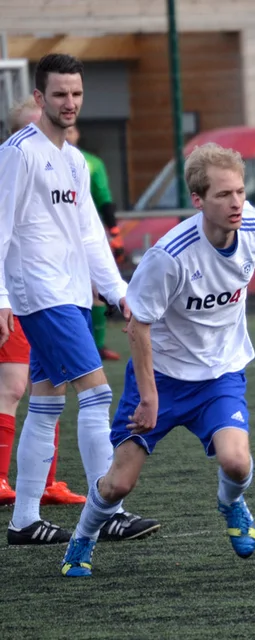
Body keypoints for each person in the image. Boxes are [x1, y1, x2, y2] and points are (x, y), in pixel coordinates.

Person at [60, 142, 255, 577]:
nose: (236, 203)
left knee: (237, 462)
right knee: (118, 484)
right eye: (223, 195)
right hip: (162, 377)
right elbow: (137, 327)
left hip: (220, 373)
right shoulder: (169, 257)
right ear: (198, 200)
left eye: (240, 192)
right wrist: (148, 398)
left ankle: (231, 502)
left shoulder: (254, 222)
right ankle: (83, 536)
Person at [0, 53, 160, 545]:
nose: (69, 102)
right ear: (39, 97)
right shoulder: (19, 152)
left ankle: (24, 520)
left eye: (76, 93)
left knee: (47, 403)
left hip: (70, 293)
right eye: (59, 94)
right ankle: (107, 509)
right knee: (97, 393)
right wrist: (0, 296)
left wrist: (118, 291)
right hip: (39, 293)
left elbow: (90, 235)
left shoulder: (73, 160)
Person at [0, 97, 85, 507]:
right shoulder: (13, 164)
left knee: (50, 384)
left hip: (50, 294)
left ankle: (46, 484)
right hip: (16, 294)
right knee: (14, 386)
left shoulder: (68, 167)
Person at [65, 125, 123, 362]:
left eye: (72, 130)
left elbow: (104, 199)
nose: (68, 134)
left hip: (84, 236)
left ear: (78, 134)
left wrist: (115, 234)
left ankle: (96, 346)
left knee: (96, 290)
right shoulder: (32, 158)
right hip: (52, 240)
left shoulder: (91, 163)